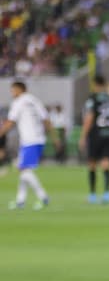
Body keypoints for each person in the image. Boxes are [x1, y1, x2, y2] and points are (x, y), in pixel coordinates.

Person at [2, 81, 52, 211]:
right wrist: (53, 136)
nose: (12, 93)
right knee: (24, 169)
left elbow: (10, 122)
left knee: (24, 169)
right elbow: (46, 119)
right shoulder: (35, 100)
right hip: (39, 139)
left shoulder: (19, 102)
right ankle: (20, 200)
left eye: (13, 90)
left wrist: (1, 132)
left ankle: (43, 197)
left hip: (29, 140)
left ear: (20, 89)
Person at [81, 77, 109, 204]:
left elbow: (89, 118)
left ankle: (92, 194)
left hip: (96, 134)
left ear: (96, 85)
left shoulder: (93, 99)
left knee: (92, 164)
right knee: (106, 164)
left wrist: (83, 136)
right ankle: (107, 193)